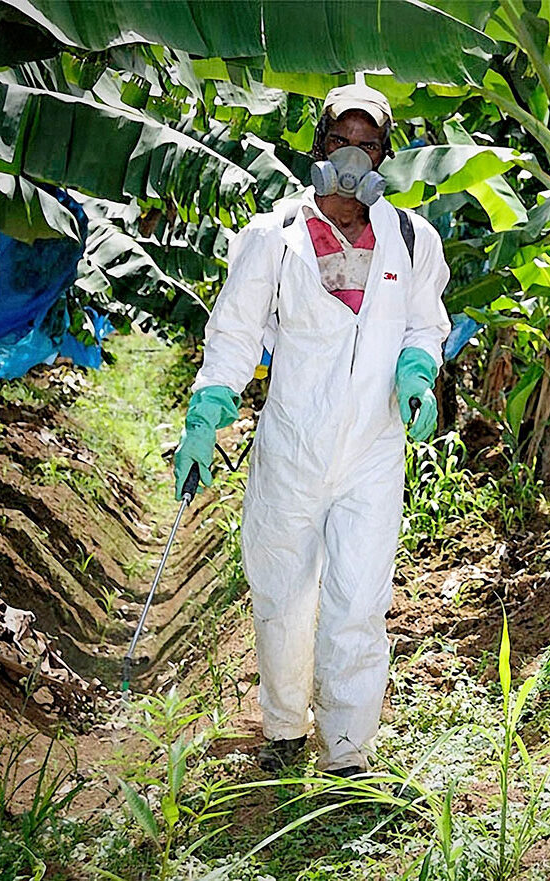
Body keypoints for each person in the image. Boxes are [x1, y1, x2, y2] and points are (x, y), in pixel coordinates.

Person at [172, 84, 451, 776]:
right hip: (292, 447)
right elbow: (234, 337)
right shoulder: (273, 239)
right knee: (283, 595)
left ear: (385, 154)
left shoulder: (411, 237)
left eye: (369, 143)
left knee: (359, 600)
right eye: (341, 140)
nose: (354, 155)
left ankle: (349, 751)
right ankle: (286, 728)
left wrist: (417, 375)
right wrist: (207, 416)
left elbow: (424, 324)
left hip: (371, 450)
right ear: (320, 147)